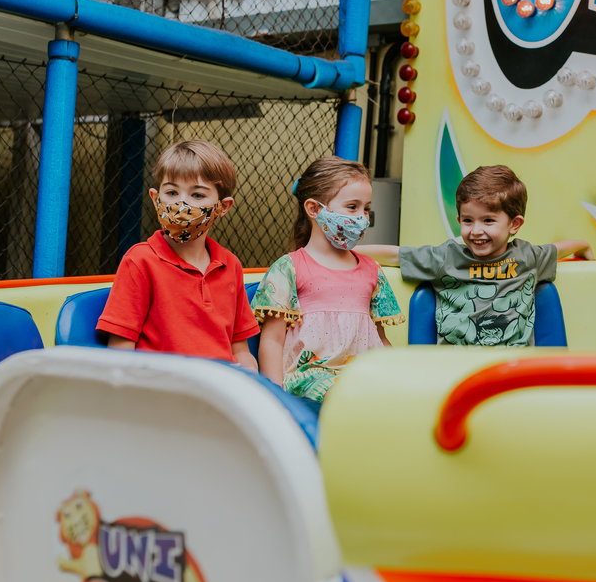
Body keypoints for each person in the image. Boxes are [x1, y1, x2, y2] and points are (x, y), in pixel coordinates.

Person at [358, 165, 592, 346]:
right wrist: (344, 252)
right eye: (468, 220)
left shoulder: (527, 256)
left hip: (511, 368)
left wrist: (584, 247)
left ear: (514, 224)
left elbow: (558, 248)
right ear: (459, 220)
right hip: (456, 369)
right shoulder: (446, 257)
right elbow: (396, 256)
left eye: (488, 220)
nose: (476, 230)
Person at [252, 157, 404, 401]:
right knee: (346, 397)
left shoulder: (372, 270)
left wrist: (400, 378)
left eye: (366, 208)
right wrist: (275, 396)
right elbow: (272, 340)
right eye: (352, 207)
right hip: (310, 378)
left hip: (363, 376)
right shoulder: (289, 267)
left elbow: (380, 337)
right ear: (314, 209)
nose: (363, 217)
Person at [98, 140, 260, 367]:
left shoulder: (230, 265)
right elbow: (119, 355)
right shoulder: (140, 261)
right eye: (172, 192)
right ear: (156, 199)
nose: (181, 204)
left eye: (198, 195)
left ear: (223, 207)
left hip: (221, 389)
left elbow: (241, 352)